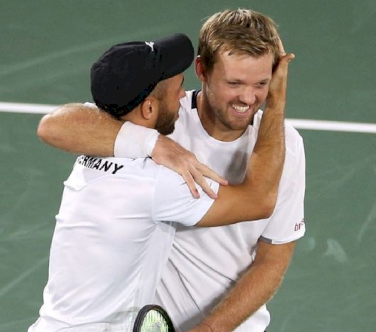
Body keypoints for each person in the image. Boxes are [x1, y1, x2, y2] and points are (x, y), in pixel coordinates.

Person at [36, 9, 305, 332]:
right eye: (234, 83)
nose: (248, 98)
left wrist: (210, 330)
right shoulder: (160, 120)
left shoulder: (284, 145)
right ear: (202, 71)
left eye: (262, 83)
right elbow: (54, 126)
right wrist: (155, 143)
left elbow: (273, 257)